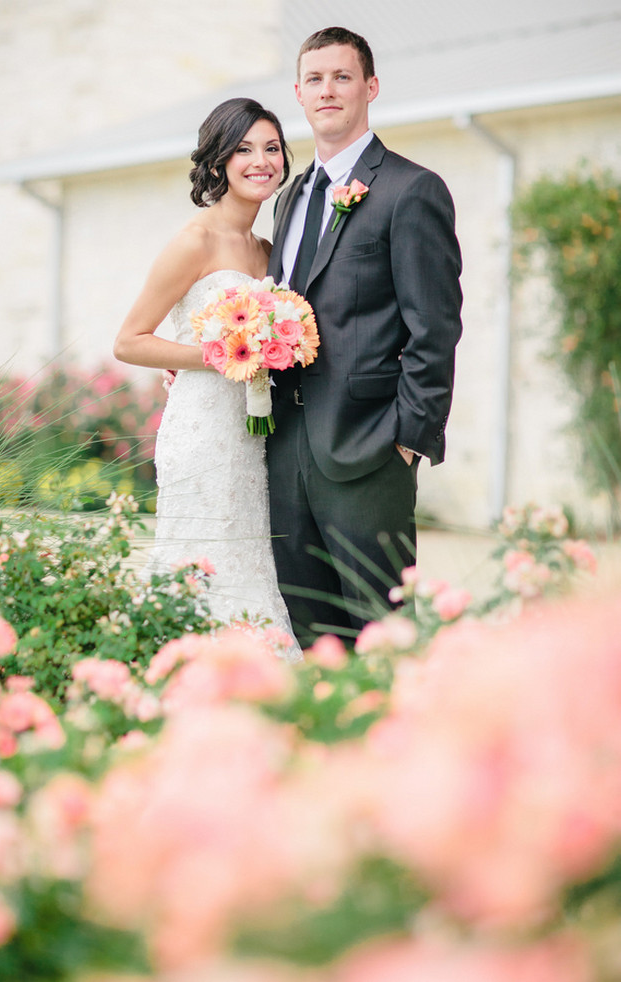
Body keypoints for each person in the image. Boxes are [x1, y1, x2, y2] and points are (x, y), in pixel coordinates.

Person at [266, 27, 463, 647]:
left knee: (384, 633)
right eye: (316, 80)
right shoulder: (290, 195)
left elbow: (436, 327)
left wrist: (408, 436)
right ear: (299, 94)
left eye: (342, 77)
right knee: (311, 629)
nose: (328, 90)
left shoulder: (412, 190)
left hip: (369, 448)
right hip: (284, 445)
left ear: (370, 87)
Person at [113, 97, 300, 656]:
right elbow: (129, 341)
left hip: (255, 436)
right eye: (244, 149)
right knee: (202, 557)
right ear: (219, 161)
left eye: (271, 148)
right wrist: (223, 355)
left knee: (248, 559)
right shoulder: (194, 241)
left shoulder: (269, 250)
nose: (260, 160)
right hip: (201, 433)